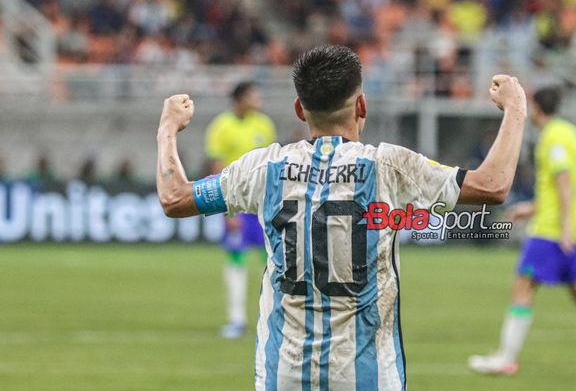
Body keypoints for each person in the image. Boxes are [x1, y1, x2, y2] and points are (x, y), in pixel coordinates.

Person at [155, 45, 526, 391]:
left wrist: (168, 129)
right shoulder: (388, 165)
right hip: (367, 373)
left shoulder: (263, 167)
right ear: (361, 105)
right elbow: (492, 185)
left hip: (282, 372)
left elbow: (175, 199)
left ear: (300, 110)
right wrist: (515, 110)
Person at [468, 87, 576, 377]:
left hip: (552, 230)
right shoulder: (572, 133)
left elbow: (563, 180)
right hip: (574, 225)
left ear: (537, 108)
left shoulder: (552, 137)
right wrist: (532, 209)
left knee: (523, 286)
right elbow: (566, 186)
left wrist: (562, 228)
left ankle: (506, 358)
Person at [205, 81, 276, 339]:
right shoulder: (221, 126)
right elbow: (216, 167)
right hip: (235, 203)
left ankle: (270, 317)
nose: (259, 98)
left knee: (271, 261)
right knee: (236, 259)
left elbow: (271, 167)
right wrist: (226, 209)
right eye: (253, 94)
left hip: (261, 203)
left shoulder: (264, 124)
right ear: (240, 99)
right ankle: (236, 319)